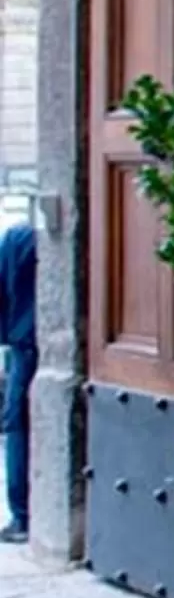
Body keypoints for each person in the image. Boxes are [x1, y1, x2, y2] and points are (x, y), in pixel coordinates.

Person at [0, 215, 36, 543]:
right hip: (30, 339)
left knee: (18, 427)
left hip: (23, 344)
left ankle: (23, 515)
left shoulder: (17, 238)